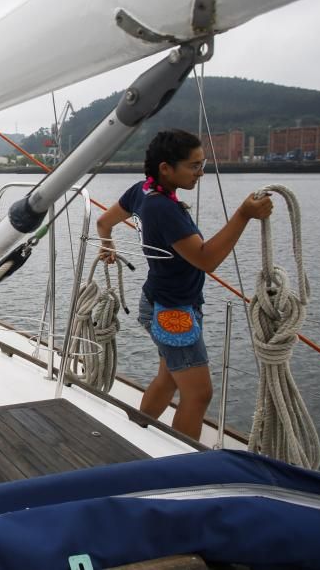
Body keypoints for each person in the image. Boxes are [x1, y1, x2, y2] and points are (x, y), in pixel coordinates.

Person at [96, 129, 272, 441]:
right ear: (166, 168)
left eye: (202, 164)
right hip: (172, 310)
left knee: (168, 379)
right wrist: (243, 215)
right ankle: (182, 462)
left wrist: (107, 244)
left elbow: (103, 222)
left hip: (162, 300)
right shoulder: (163, 208)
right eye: (193, 166)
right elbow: (205, 259)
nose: (201, 173)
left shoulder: (143, 191)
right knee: (199, 394)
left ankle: (133, 433)